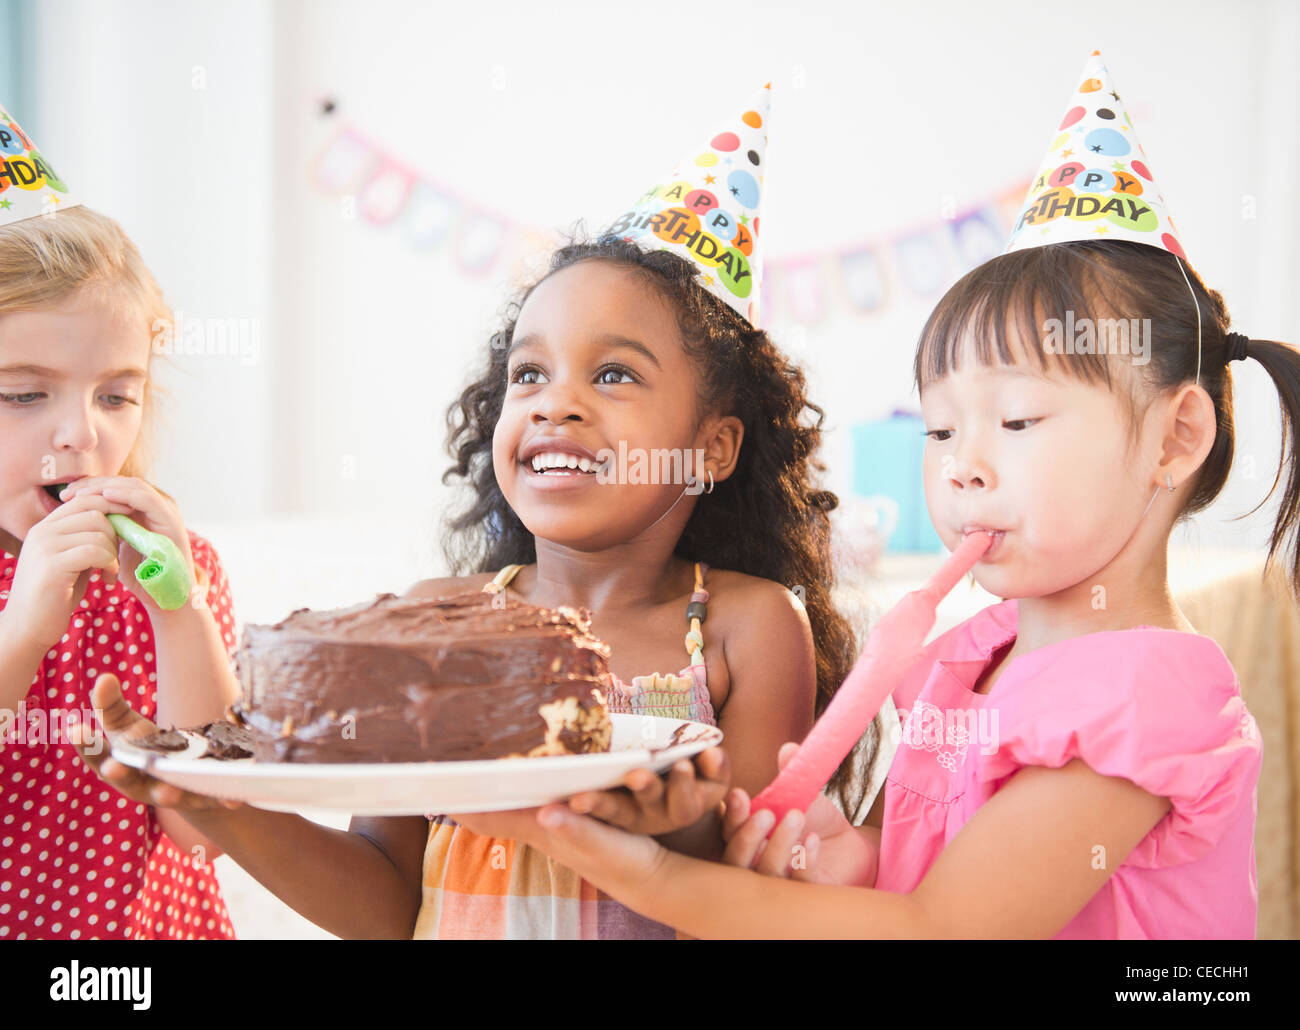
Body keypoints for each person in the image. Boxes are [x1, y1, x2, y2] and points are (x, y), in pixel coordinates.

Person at [0, 104, 240, 939]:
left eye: (117, 395)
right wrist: (21, 634)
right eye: (24, 394)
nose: (82, 433)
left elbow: (202, 827)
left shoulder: (181, 562)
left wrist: (181, 615)